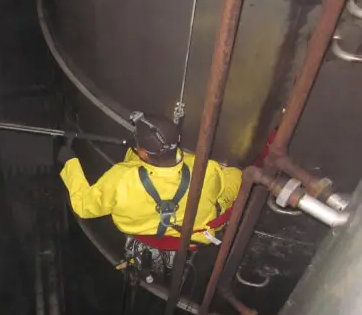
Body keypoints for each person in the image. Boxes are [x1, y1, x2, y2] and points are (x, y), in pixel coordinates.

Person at [57, 112, 242, 277]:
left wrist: (69, 162)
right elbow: (235, 180)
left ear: (144, 153)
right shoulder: (206, 171)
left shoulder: (121, 179)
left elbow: (83, 206)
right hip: (192, 233)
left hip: (138, 228)